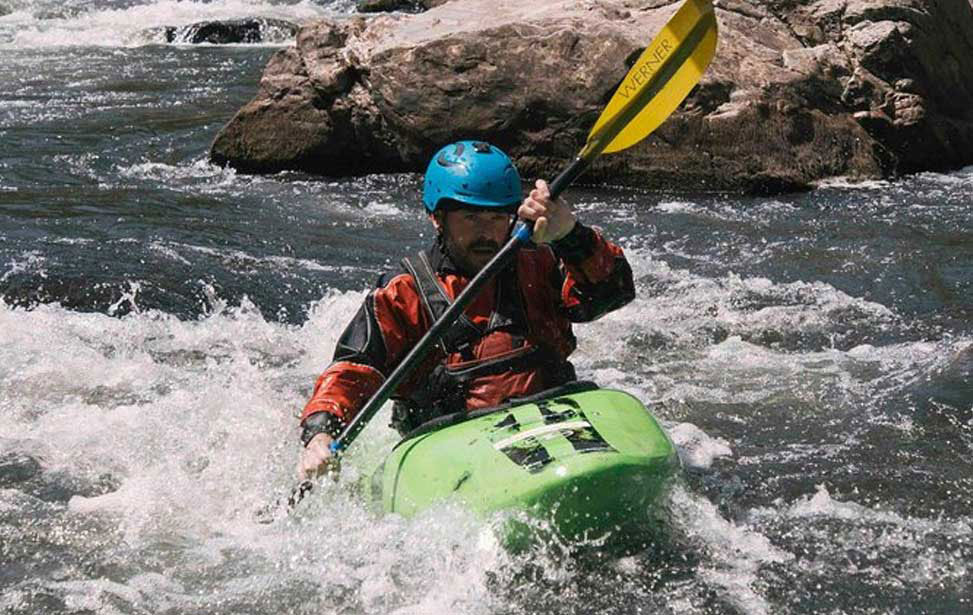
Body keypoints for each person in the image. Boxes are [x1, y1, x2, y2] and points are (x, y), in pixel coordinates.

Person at [297, 140, 635, 480]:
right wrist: (321, 433)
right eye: (471, 217)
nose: (486, 232)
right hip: (453, 446)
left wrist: (571, 236)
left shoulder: (541, 261)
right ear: (437, 218)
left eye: (495, 217)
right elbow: (355, 369)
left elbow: (612, 293)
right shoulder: (404, 292)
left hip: (552, 421)